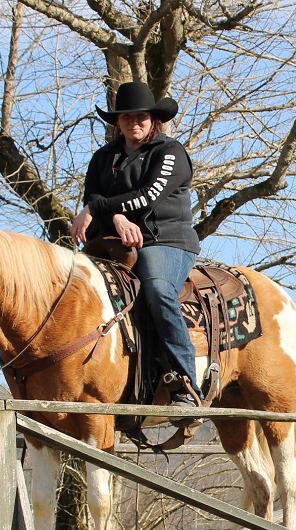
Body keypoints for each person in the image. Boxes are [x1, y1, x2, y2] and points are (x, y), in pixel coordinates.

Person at [70, 81, 202, 415]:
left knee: (157, 291)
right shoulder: (103, 158)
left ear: (153, 119)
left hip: (166, 240)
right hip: (113, 242)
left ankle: (185, 382)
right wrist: (113, 217)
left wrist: (99, 209)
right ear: (118, 122)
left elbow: (148, 195)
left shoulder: (170, 153)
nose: (134, 123)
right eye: (127, 117)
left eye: (141, 116)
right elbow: (91, 196)